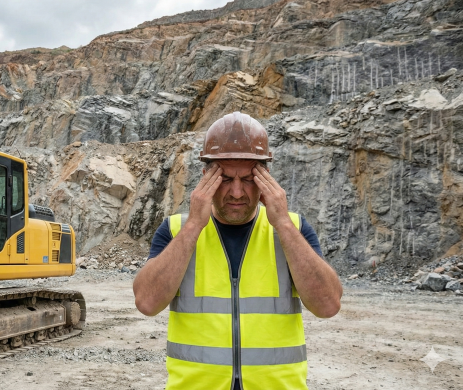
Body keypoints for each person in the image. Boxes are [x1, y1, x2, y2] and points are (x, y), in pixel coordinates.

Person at [133, 112, 342, 390]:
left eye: (248, 179)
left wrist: (281, 223)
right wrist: (195, 223)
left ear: (266, 178)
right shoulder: (175, 230)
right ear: (206, 176)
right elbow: (147, 302)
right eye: (225, 178)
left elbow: (327, 305)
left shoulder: (293, 228)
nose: (236, 192)